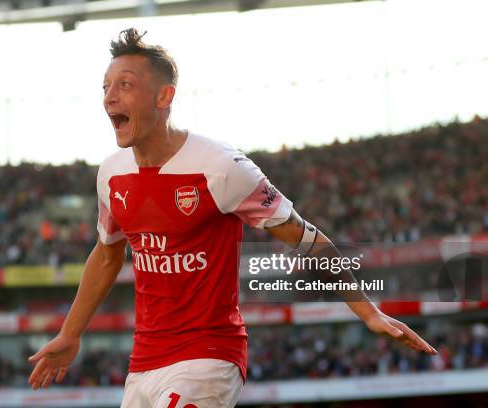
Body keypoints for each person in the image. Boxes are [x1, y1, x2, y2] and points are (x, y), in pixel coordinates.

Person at [27, 28, 437, 407]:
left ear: (164, 96)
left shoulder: (220, 167)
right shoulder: (112, 174)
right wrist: (70, 332)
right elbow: (106, 256)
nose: (110, 97)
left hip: (209, 356)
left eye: (126, 85)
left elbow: (308, 239)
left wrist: (367, 311)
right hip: (143, 363)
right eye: (106, 87)